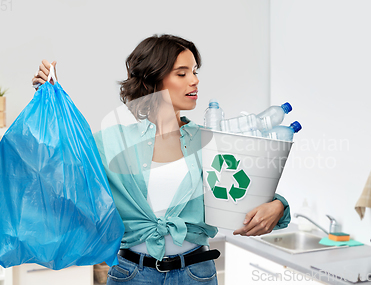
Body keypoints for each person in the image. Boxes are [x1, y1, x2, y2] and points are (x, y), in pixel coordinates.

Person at [32, 34, 291, 285]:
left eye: (195, 72)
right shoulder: (112, 142)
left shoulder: (211, 141)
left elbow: (247, 189)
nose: (194, 81)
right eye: (182, 73)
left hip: (195, 274)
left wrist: (277, 206)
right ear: (151, 81)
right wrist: (50, 99)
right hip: (131, 275)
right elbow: (62, 174)